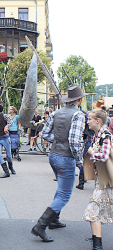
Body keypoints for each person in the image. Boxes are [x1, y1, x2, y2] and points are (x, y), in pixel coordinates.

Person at [31, 85, 87, 242]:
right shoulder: (78, 115)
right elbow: (75, 141)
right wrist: (79, 160)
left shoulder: (56, 112)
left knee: (61, 189)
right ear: (79, 99)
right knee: (64, 194)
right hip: (66, 158)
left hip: (54, 155)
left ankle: (54, 220)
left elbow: (45, 134)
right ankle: (40, 226)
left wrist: (57, 142)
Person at [82, 106, 113, 250]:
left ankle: (97, 245)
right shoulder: (98, 135)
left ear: (98, 121)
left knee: (92, 211)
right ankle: (96, 240)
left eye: (89, 119)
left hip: (106, 181)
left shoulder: (105, 135)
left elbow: (105, 156)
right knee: (96, 212)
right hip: (102, 180)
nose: (87, 122)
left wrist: (91, 151)